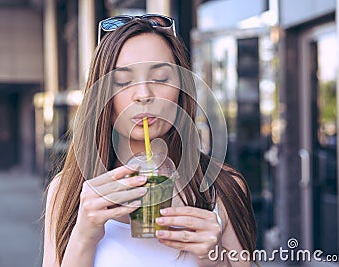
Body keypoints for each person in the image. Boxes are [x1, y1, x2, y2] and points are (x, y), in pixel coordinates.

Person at [42, 14, 257, 267]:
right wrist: (84, 236)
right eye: (122, 81)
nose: (143, 94)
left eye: (161, 78)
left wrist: (217, 260)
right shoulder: (67, 190)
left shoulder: (221, 188)